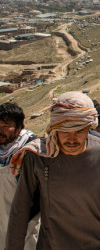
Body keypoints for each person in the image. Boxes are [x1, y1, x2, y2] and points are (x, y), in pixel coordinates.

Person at [6, 92, 100, 249]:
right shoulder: (38, 155)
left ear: (89, 127)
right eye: (65, 131)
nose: (72, 138)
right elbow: (20, 210)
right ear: (54, 128)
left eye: (79, 131)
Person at [0, 103, 39, 250]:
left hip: (25, 227)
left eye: (6, 125)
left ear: (19, 127)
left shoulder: (30, 151)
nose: (0, 130)